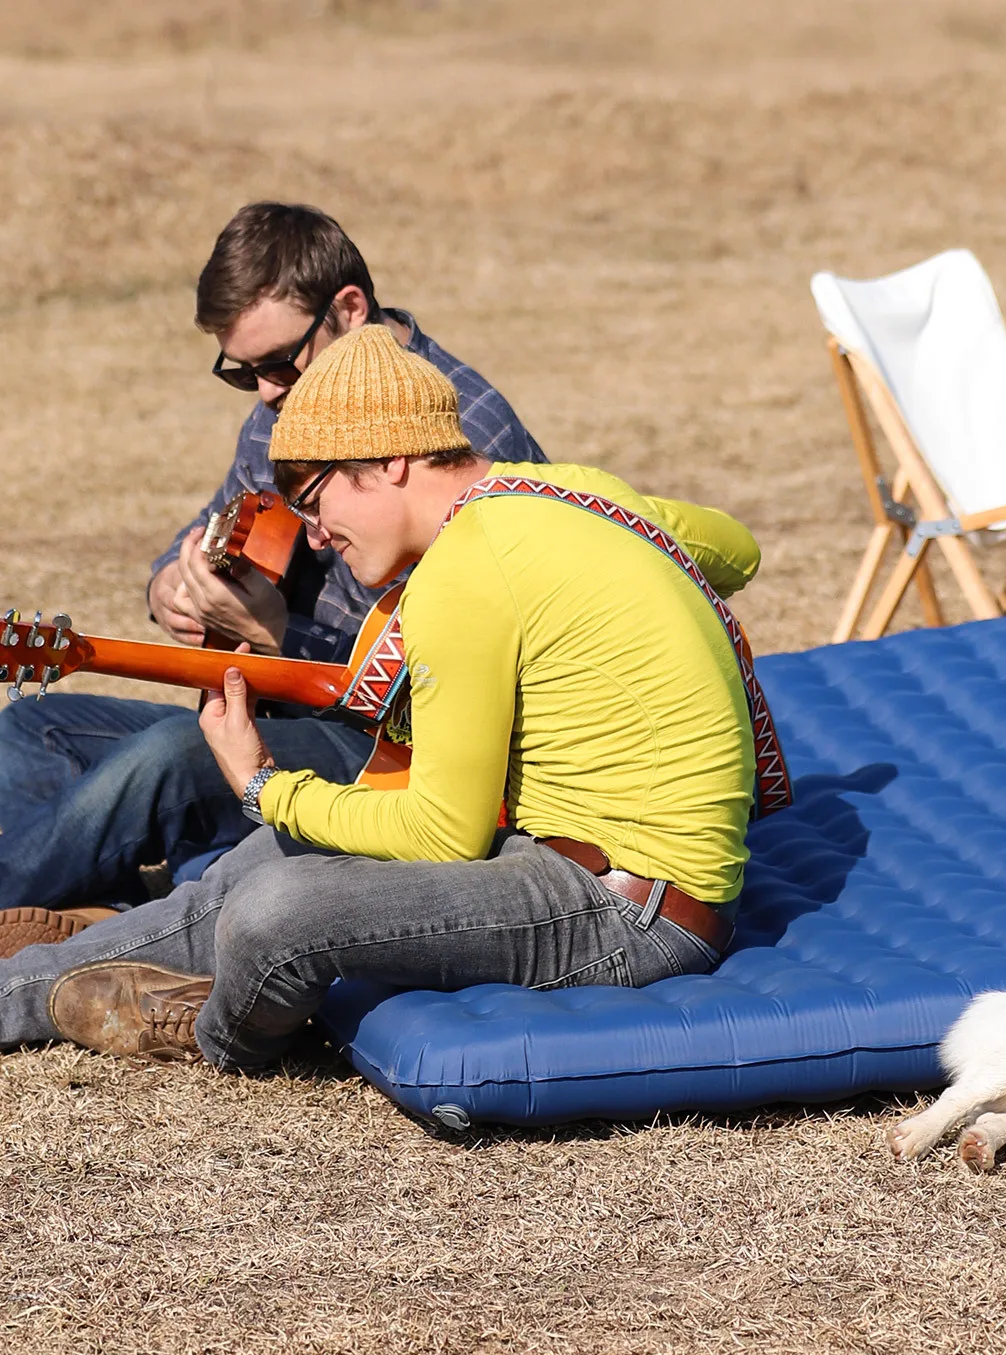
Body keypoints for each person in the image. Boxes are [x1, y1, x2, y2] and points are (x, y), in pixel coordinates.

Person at [0, 325, 772, 1066]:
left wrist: (262, 783)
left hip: (631, 913)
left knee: (280, 910)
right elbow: (736, 548)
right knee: (268, 857)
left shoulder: (463, 571)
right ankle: (39, 978)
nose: (311, 533)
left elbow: (444, 833)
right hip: (568, 858)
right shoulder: (574, 492)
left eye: (311, 494)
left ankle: (210, 1031)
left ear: (393, 460)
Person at [0, 203, 546, 930]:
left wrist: (275, 636)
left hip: (393, 752)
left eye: (277, 362)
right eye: (241, 372)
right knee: (37, 725)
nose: (264, 391)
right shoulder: (294, 398)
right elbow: (212, 519)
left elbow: (432, 700)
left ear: (349, 309)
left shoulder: (455, 436)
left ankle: (54, 900)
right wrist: (172, 584)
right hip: (289, 702)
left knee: (165, 755)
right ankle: (93, 905)